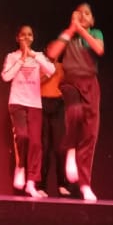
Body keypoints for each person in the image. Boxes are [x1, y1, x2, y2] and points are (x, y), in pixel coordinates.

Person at [45, 3, 105, 202]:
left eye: (87, 13)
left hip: (90, 84)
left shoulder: (95, 33)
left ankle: (85, 184)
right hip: (71, 82)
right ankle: (70, 149)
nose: (83, 16)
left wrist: (81, 30)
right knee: (75, 113)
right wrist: (72, 29)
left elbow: (99, 49)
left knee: (90, 133)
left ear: (92, 19)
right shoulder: (68, 35)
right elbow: (52, 53)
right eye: (79, 13)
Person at [1, 25, 55, 198]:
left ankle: (31, 182)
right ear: (17, 38)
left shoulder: (38, 56)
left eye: (29, 35)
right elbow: (6, 77)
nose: (26, 37)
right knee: (22, 136)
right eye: (23, 35)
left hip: (34, 104)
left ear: (32, 38)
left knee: (36, 143)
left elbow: (51, 70)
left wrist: (33, 56)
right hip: (17, 102)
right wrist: (22, 59)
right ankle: (21, 166)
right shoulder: (12, 56)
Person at [37, 56, 70, 197]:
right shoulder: (41, 65)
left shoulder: (62, 67)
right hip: (42, 102)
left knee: (59, 146)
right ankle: (41, 185)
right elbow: (37, 82)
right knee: (44, 147)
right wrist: (49, 71)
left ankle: (62, 184)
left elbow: (68, 83)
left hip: (57, 104)